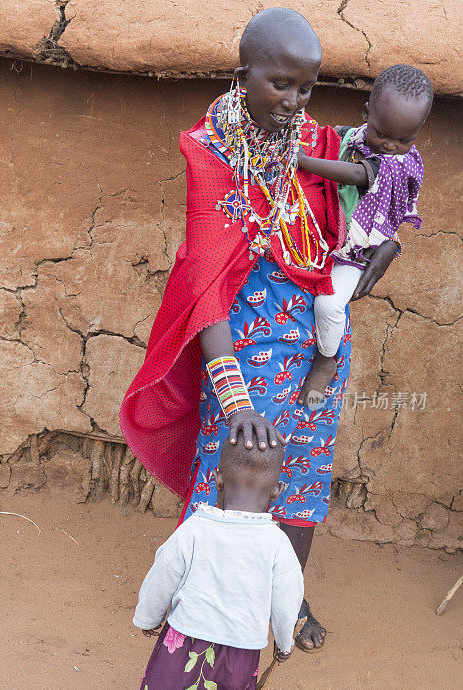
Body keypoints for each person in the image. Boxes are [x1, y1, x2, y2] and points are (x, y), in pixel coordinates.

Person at [120, 8, 399, 651]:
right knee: (231, 475)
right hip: (246, 350)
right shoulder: (212, 152)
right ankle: (196, 609)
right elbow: (206, 283)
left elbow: (382, 189)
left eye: (306, 87)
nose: (294, 100)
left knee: (303, 470)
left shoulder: (322, 145)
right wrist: (237, 397)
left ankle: (287, 601)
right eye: (280, 84)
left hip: (318, 343)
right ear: (242, 75)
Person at [125, 436, 304, 690]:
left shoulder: (194, 529)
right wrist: (284, 644)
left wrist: (148, 618)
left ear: (217, 479)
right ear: (279, 489)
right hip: (241, 649)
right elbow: (288, 601)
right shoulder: (277, 544)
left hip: (183, 639)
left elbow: (163, 574)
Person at [297, 64, 433, 404]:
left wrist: (302, 161)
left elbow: (355, 173)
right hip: (327, 242)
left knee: (328, 305)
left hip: (355, 254)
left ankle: (326, 359)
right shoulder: (356, 137)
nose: (390, 145)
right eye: (383, 133)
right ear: (367, 113)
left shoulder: (394, 163)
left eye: (405, 139)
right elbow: (339, 139)